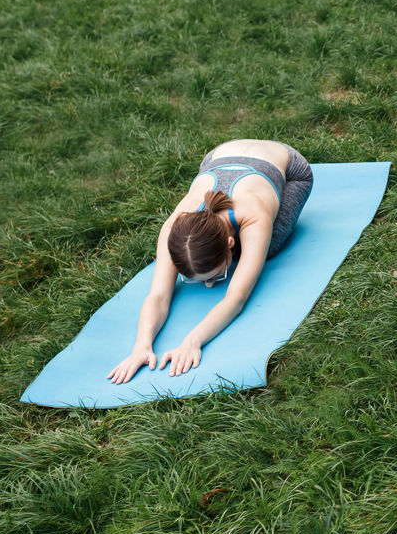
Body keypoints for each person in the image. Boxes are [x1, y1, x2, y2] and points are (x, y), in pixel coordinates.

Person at [107, 139, 314, 383]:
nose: (209, 285)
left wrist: (192, 342)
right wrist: (141, 347)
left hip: (288, 167)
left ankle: (239, 252)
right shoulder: (174, 229)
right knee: (199, 253)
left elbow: (236, 298)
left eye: (217, 275)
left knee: (271, 245)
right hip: (218, 157)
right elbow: (158, 296)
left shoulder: (253, 215)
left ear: (230, 243)